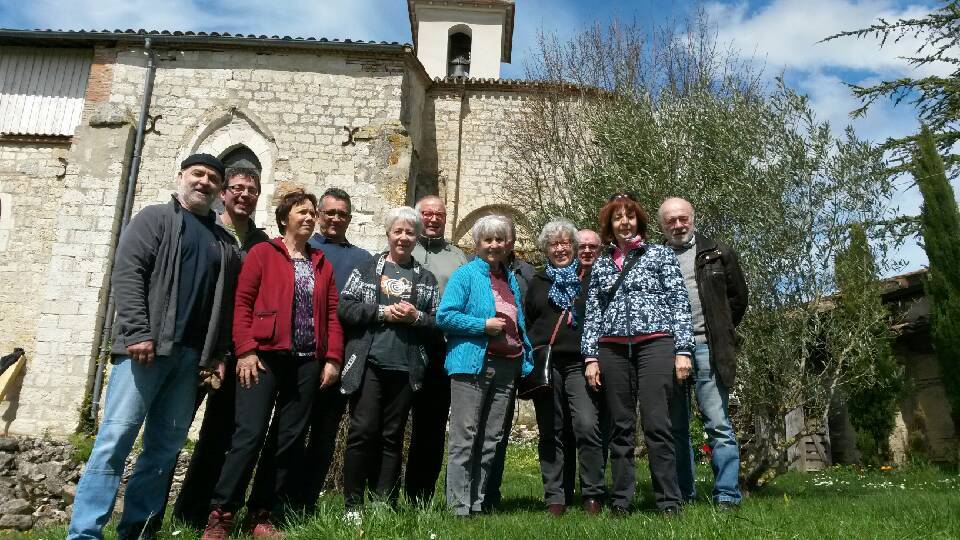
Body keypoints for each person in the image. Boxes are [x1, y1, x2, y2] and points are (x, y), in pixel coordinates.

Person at [68, 154, 239, 540]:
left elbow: (224, 304)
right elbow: (128, 275)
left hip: (191, 360)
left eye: (213, 178)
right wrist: (137, 334)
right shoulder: (155, 218)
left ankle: (138, 532)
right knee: (114, 442)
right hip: (144, 352)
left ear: (220, 191)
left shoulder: (222, 241)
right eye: (198, 174)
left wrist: (216, 354)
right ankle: (84, 533)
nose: (204, 182)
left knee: (163, 452)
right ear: (181, 177)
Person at [202, 189, 344, 539]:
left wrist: (332, 359)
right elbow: (242, 303)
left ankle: (261, 514)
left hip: (307, 362)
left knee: (287, 440)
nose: (310, 218)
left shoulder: (320, 262)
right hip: (263, 358)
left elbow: (332, 315)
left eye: (313, 213)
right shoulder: (263, 253)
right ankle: (221, 514)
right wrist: (247, 350)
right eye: (302, 212)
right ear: (284, 218)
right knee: (248, 435)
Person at [581, 193, 694, 516]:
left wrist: (682, 350)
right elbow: (594, 312)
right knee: (620, 427)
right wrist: (590, 357)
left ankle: (669, 501)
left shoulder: (659, 255)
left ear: (639, 221)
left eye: (630, 217)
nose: (624, 222)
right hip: (612, 348)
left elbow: (678, 303)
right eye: (618, 218)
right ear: (610, 225)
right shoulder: (602, 263)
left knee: (659, 424)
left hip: (656, 345)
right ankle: (621, 501)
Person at [172, 163, 269, 529]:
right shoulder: (207, 232)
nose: (244, 195)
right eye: (238, 188)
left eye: (252, 190)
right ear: (224, 192)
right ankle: (160, 516)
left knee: (220, 435)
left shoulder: (261, 243)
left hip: (240, 350)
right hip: (201, 346)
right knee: (175, 429)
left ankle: (197, 512)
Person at [337, 207, 440, 517]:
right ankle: (353, 505)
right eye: (398, 231)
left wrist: (416, 317)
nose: (404, 238)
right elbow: (345, 307)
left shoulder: (426, 278)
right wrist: (380, 313)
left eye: (410, 232)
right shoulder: (367, 268)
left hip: (406, 367)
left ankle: (384, 504)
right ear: (388, 234)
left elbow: (437, 325)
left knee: (392, 437)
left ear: (417, 237)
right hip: (369, 362)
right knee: (362, 432)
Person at [438, 215, 534, 516]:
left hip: (507, 366)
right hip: (472, 364)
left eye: (499, 239)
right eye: (487, 240)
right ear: (477, 244)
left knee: (492, 437)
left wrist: (525, 357)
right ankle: (457, 506)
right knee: (465, 435)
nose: (493, 245)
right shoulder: (465, 275)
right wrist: (482, 324)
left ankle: (477, 503)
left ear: (508, 244)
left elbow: (518, 324)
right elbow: (445, 316)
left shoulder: (510, 280)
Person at [658, 197, 748, 510]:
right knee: (676, 426)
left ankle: (727, 495)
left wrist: (720, 330)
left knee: (718, 423)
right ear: (662, 225)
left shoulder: (717, 253)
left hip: (709, 347)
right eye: (670, 220)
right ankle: (684, 493)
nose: (677, 225)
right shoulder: (655, 257)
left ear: (692, 219)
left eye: (682, 218)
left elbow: (738, 299)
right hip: (670, 351)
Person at [294, 187, 373, 511]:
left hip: (340, 358)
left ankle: (306, 503)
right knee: (291, 431)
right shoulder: (303, 248)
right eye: (330, 213)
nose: (335, 219)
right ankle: (275, 501)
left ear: (349, 219)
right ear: (318, 215)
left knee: (325, 436)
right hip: (300, 356)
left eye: (342, 214)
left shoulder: (363, 260)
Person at [526, 219, 606, 516]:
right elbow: (530, 321)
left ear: (574, 247)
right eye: (553, 243)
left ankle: (593, 494)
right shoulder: (537, 282)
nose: (560, 248)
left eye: (565, 243)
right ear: (546, 249)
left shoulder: (589, 279)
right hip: (547, 365)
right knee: (551, 429)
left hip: (580, 363)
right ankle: (555, 497)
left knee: (586, 426)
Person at [405, 195, 469, 504]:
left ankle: (421, 497)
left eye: (438, 215)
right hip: (402, 346)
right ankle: (383, 495)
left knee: (430, 428)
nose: (432, 219)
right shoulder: (403, 246)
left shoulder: (457, 257)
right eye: (427, 214)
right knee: (391, 424)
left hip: (439, 349)